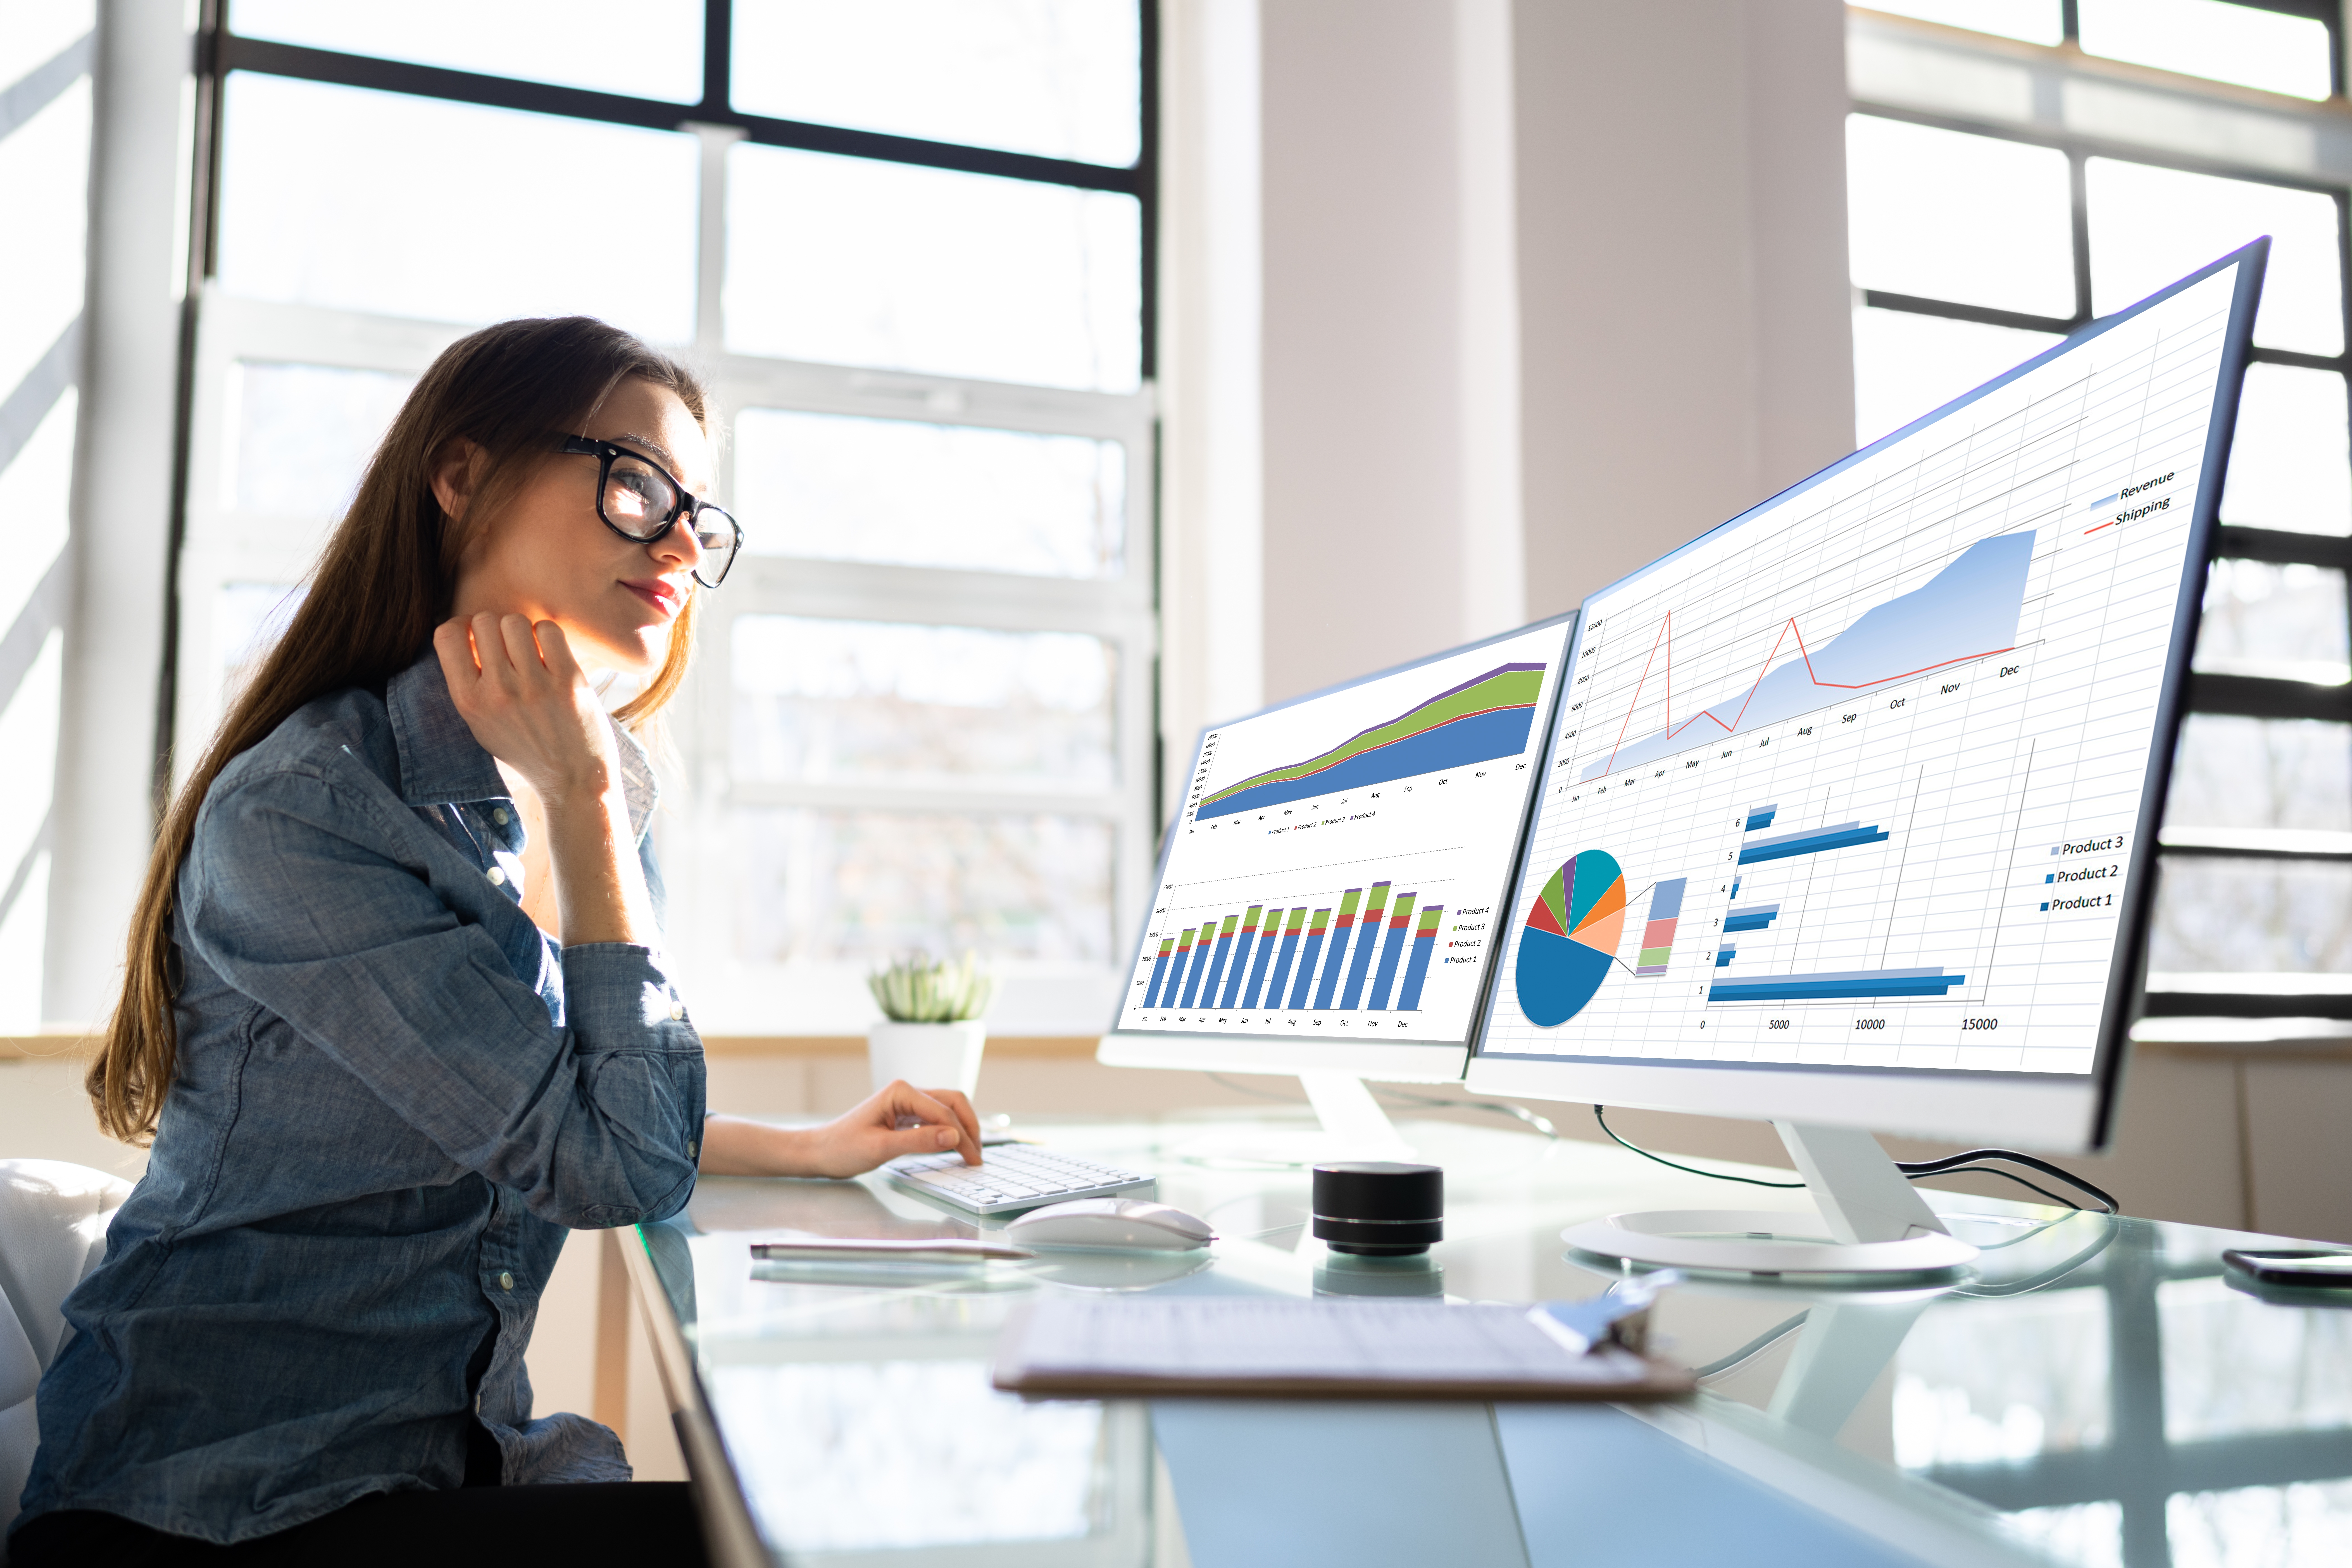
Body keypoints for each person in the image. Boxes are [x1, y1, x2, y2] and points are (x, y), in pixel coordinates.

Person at [7, 318, 982, 1566]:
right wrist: (582, 801)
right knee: (810, 1535)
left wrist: (801, 1146)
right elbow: (604, 1163)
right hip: (214, 1505)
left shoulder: (579, 782)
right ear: (460, 477)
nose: (683, 539)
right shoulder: (315, 808)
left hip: (431, 1463)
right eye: (637, 482)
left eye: (701, 513)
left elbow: (534, 1100)